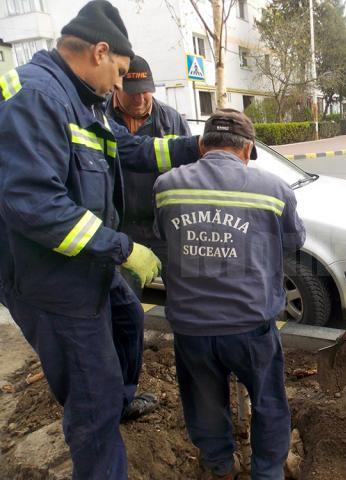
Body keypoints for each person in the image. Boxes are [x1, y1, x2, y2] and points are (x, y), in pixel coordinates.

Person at [0, 1, 203, 478]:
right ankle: (102, 428)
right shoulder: (37, 98)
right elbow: (36, 207)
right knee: (91, 395)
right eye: (119, 72)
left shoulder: (80, 99)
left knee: (129, 317)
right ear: (99, 51)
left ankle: (122, 401)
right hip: (50, 281)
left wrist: (196, 146)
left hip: (85, 268)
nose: (120, 85)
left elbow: (130, 148)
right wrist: (124, 248)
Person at [153, 109, 305, 479]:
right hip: (250, 325)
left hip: (191, 326)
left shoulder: (167, 185)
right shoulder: (273, 188)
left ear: (202, 146)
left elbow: (164, 238)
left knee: (204, 402)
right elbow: (293, 241)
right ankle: (267, 471)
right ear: (249, 149)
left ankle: (220, 466)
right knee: (268, 401)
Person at [106, 54, 191, 296]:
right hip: (119, 229)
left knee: (182, 295)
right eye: (132, 91)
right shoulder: (98, 118)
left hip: (163, 229)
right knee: (123, 301)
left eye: (146, 91)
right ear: (116, 87)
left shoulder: (171, 119)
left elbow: (187, 173)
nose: (140, 98)